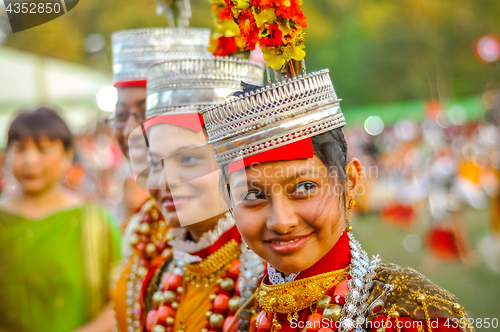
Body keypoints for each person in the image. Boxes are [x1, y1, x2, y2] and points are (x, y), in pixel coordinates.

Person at [201, 69, 473, 332]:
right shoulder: (237, 310)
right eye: (253, 195)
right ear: (228, 200)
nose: (281, 222)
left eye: (304, 187)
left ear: (350, 182)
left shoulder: (411, 317)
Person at [132, 57, 265, 332]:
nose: (166, 180)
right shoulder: (161, 277)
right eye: (156, 163)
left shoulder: (269, 275)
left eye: (189, 159)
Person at [109, 27, 213, 332]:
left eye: (145, 111)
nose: (130, 129)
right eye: (120, 113)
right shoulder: (146, 218)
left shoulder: (241, 238)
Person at [0, 107, 121, 332]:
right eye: (20, 149)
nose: (30, 160)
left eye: (43, 150)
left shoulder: (95, 221)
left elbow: (121, 299)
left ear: (68, 155)